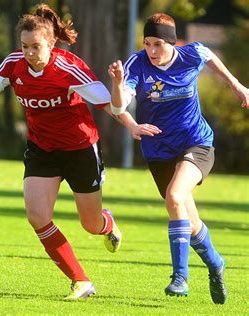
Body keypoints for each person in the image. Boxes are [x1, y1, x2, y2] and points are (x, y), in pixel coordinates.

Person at [0, 3, 131, 300]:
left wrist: (132, 126)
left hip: (81, 149)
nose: (29, 53)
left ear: (51, 43)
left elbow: (110, 105)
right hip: (42, 149)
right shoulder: (12, 64)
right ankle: (81, 281)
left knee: (90, 224)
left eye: (36, 46)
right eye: (24, 46)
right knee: (37, 216)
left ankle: (106, 223)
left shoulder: (69, 68)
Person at [108, 13, 248, 304]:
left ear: (172, 43)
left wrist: (236, 85)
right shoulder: (137, 64)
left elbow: (209, 55)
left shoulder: (191, 54)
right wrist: (120, 87)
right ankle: (216, 264)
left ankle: (180, 277)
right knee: (190, 220)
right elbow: (118, 105)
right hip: (158, 151)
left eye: (158, 44)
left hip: (197, 142)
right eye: (147, 43)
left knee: (174, 196)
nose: (152, 51)